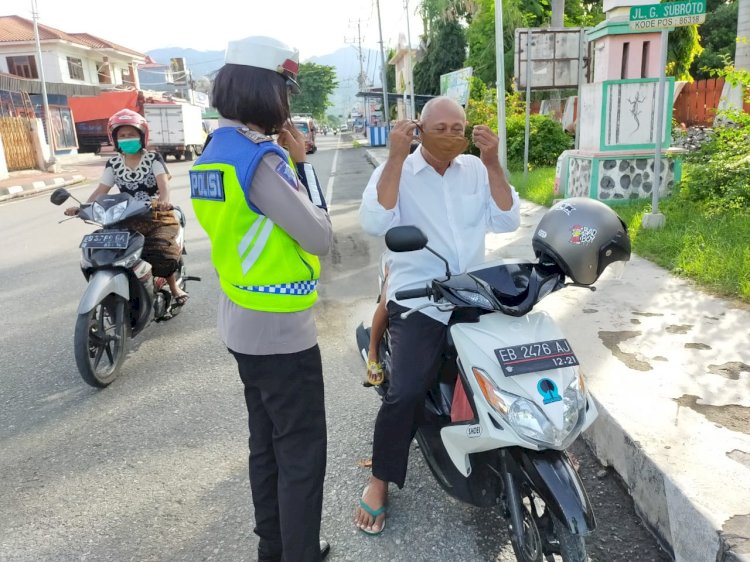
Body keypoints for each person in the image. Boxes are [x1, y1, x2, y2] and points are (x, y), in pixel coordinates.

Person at [189, 36, 332, 562]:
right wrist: (302, 166)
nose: (287, 103)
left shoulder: (212, 154)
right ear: (265, 90)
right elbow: (318, 236)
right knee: (300, 453)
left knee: (266, 444)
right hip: (280, 330)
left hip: (240, 319)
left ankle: (273, 549)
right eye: (284, 89)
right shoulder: (262, 160)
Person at [355, 96, 521, 534]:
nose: (450, 135)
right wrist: (394, 157)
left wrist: (493, 162)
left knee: (516, 363)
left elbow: (507, 221)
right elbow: (375, 221)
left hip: (472, 294)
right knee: (407, 389)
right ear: (419, 129)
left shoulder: (475, 170)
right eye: (440, 127)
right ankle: (380, 480)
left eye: (458, 127)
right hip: (420, 298)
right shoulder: (400, 168)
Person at [64, 109, 188, 306]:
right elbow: (101, 190)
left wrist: (164, 201)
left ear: (142, 136)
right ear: (114, 139)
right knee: (106, 251)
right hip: (124, 216)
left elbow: (164, 185)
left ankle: (173, 287)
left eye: (131, 134)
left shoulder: (153, 159)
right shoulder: (113, 163)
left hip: (155, 214)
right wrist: (84, 207)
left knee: (160, 250)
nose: (126, 138)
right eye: (122, 135)